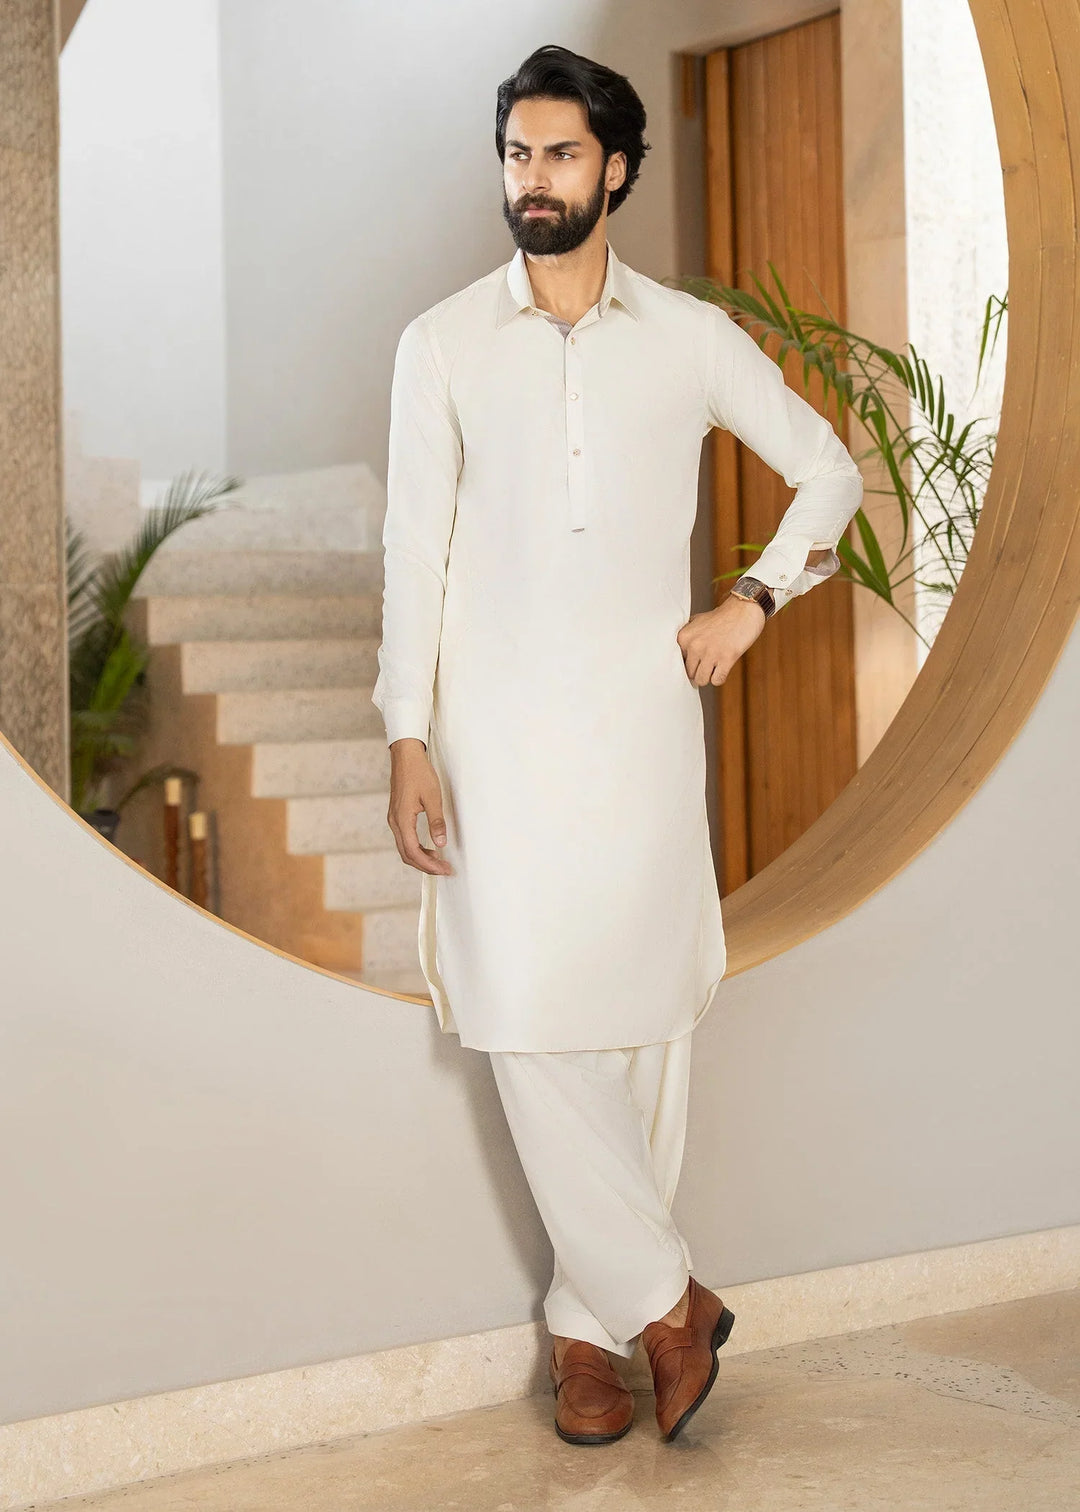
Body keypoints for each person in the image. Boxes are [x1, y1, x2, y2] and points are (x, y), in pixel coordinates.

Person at [372, 43, 863, 1444]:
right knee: (522, 1013)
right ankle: (667, 1304)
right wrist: (406, 732)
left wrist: (751, 602)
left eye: (562, 155)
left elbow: (830, 470)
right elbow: (414, 553)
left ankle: (585, 1342)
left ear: (618, 169)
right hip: (492, 739)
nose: (533, 180)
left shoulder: (689, 339)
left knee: (644, 1023)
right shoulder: (442, 343)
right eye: (517, 155)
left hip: (640, 727)